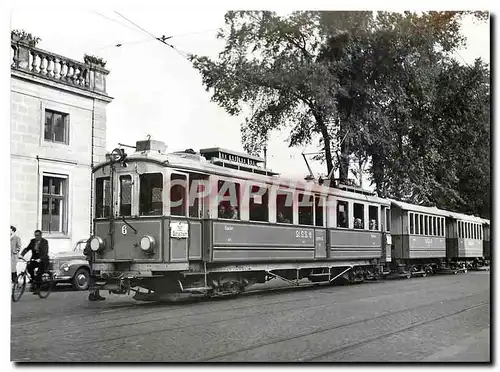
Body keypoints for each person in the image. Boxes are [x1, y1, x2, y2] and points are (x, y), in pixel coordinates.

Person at [20, 230, 49, 294]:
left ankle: (38, 288)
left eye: (38, 235)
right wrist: (21, 255)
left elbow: (45, 252)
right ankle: (33, 280)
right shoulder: (33, 241)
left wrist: (40, 259)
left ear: (41, 235)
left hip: (43, 260)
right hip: (35, 259)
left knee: (39, 273)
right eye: (35, 235)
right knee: (29, 267)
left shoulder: (45, 242)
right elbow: (27, 248)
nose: (36, 237)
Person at [83, 237, 105, 301]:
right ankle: (91, 294)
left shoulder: (93, 238)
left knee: (96, 277)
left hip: (95, 259)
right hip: (93, 260)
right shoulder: (93, 239)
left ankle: (96, 294)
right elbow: (86, 251)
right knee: (93, 277)